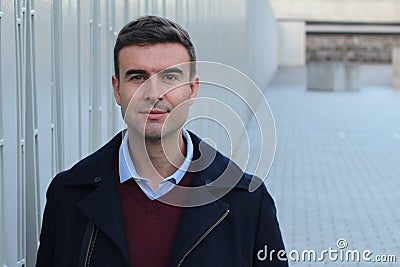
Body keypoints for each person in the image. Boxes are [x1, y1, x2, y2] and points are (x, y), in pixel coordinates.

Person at [35, 15, 288, 267]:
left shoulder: (246, 200)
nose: (154, 94)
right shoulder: (67, 195)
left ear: (192, 89)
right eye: (137, 77)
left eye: (169, 77)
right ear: (117, 90)